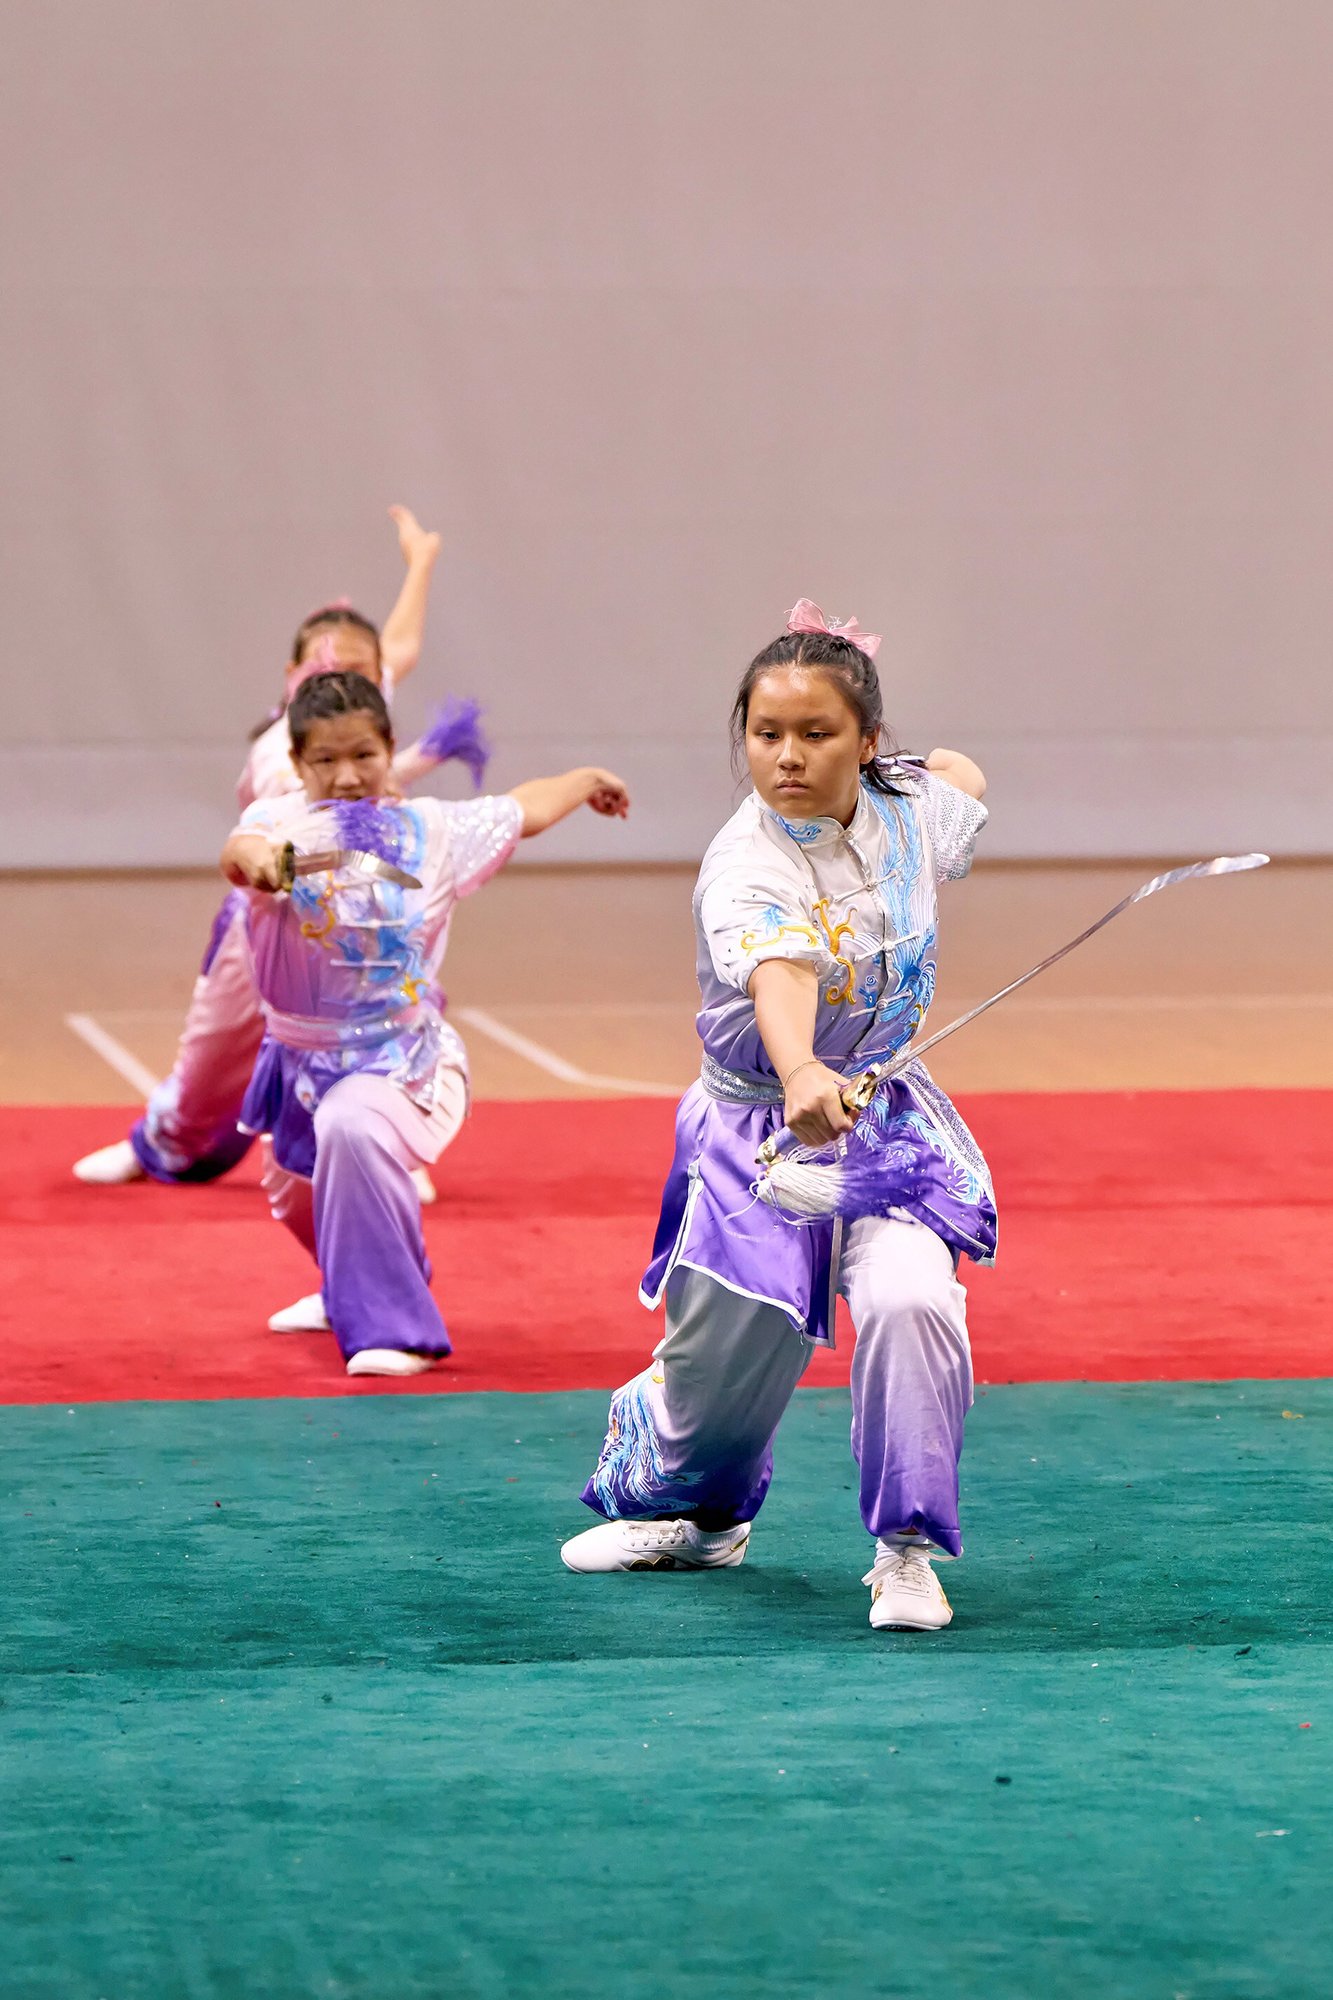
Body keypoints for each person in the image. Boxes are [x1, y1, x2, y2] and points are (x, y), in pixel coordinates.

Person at [560, 599, 995, 1631]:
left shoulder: (906, 806)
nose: (786, 758)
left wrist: (932, 775)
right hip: (760, 1126)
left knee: (910, 1301)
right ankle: (696, 1516)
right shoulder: (744, 860)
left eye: (816, 733)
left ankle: (904, 1551)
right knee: (722, 1372)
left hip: (883, 1123)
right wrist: (799, 1069)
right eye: (765, 734)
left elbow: (962, 783)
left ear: (867, 741)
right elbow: (780, 970)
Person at [222, 668, 629, 1377]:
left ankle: (394, 1329)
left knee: (351, 1128)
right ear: (297, 763)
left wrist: (584, 777)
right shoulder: (276, 822)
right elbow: (239, 854)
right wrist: (267, 866)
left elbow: (521, 809)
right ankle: (355, 1275)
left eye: (363, 756)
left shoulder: (432, 829)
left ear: (389, 749)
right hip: (295, 1062)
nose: (347, 776)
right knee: (296, 1200)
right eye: (325, 759)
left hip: (396, 1059)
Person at [71, 506, 471, 1201]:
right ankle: (166, 1138)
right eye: (326, 667)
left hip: (365, 912)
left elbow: (399, 644)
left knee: (385, 1028)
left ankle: (391, 1151)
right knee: (210, 1058)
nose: (343, 676)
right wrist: (415, 760)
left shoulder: (364, 699)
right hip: (271, 917)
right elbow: (330, 806)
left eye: (361, 669)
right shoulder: (283, 748)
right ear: (293, 675)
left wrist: (421, 563)